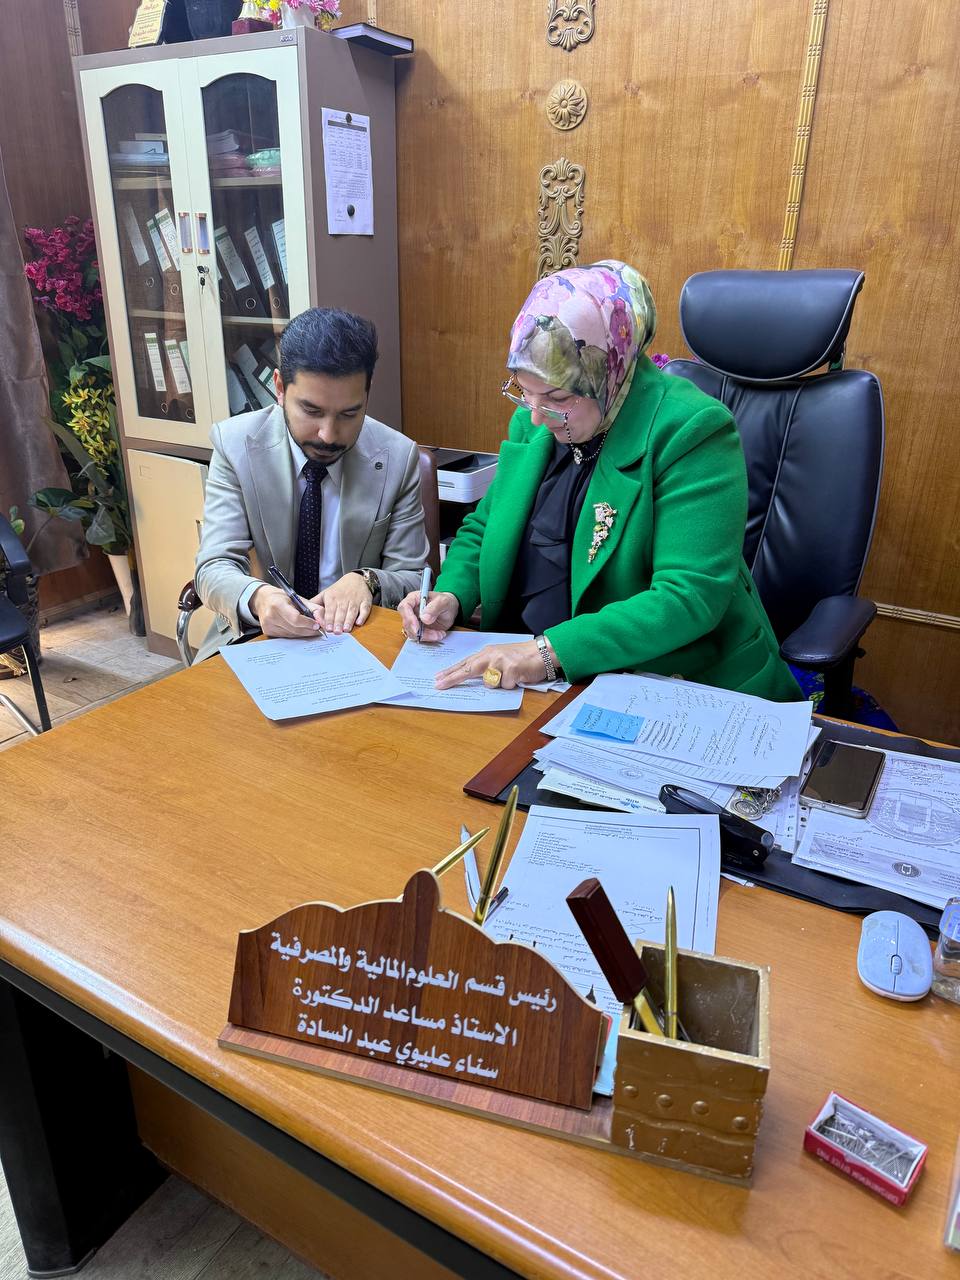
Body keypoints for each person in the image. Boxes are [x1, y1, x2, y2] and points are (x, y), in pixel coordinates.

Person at [398, 261, 800, 701]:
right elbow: (485, 527)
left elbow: (688, 597)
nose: (536, 415)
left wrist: (547, 652)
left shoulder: (692, 430)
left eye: (556, 397)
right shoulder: (535, 421)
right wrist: (451, 595)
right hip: (530, 683)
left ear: (610, 370)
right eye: (522, 391)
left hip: (666, 682)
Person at [194, 307, 429, 662]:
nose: (328, 435)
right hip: (260, 638)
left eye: (349, 413)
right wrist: (259, 598)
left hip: (360, 642)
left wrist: (367, 580)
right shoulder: (236, 446)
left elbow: (412, 577)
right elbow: (213, 566)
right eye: (312, 411)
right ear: (279, 388)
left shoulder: (397, 456)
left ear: (366, 396)